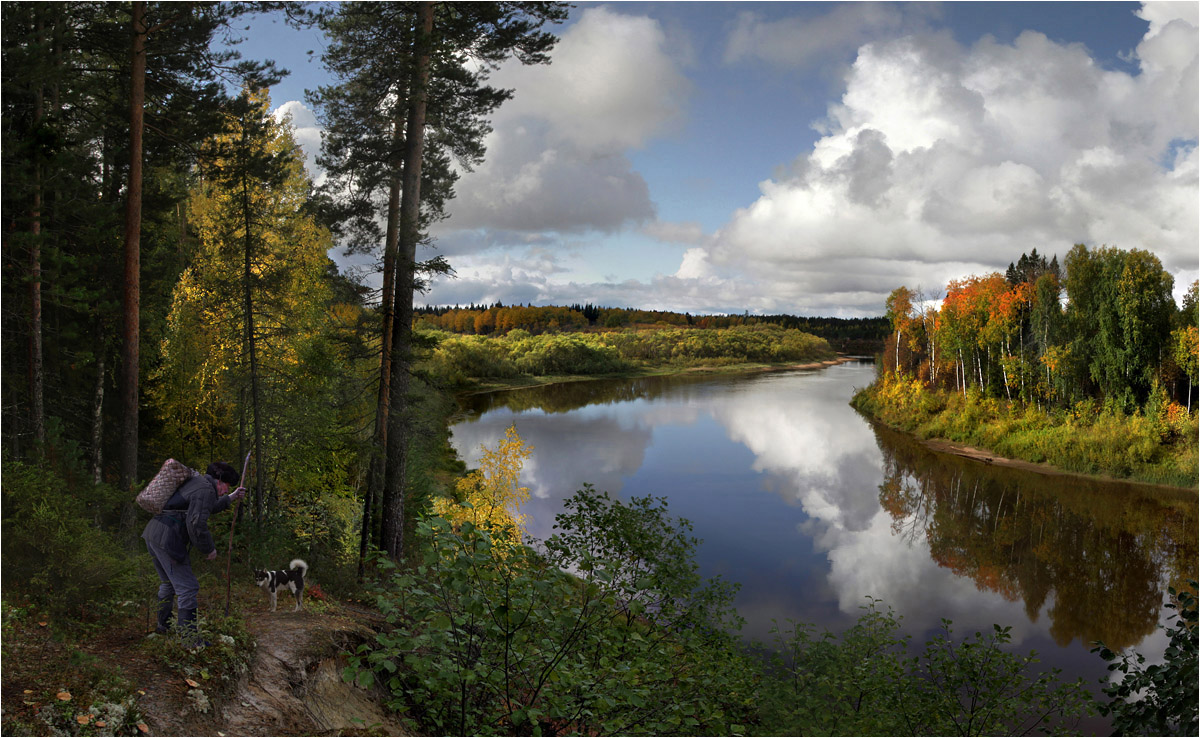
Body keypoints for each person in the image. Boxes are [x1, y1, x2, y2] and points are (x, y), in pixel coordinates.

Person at [142, 460, 246, 642]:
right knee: (188, 587)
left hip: (154, 532)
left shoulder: (198, 483)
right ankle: (189, 639)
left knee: (168, 583)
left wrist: (231, 497)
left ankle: (163, 627)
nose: (225, 490)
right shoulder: (205, 490)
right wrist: (209, 548)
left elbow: (208, 507)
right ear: (219, 480)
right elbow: (196, 523)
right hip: (168, 538)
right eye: (226, 487)